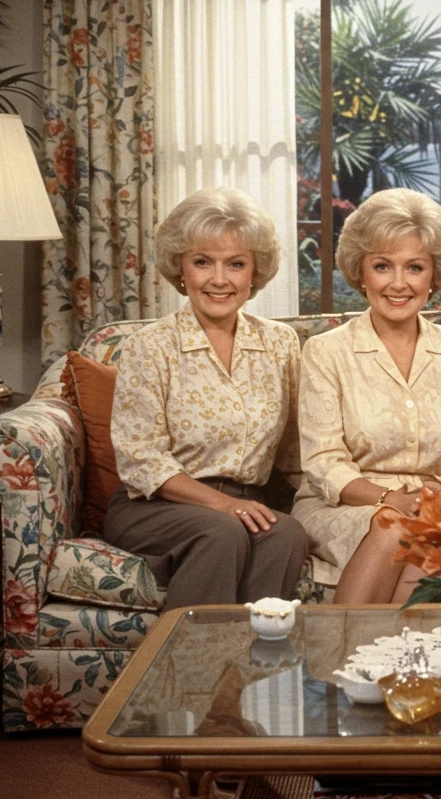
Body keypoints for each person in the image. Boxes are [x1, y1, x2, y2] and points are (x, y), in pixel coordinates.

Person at [105, 188, 307, 608]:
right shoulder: (150, 346)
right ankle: (189, 669)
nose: (219, 279)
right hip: (156, 507)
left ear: (255, 273)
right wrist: (224, 505)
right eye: (203, 262)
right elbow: (142, 460)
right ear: (181, 268)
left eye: (235, 264)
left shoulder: (280, 344)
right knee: (222, 530)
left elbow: (293, 454)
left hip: (247, 503)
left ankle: (257, 667)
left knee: (286, 532)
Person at [292, 188, 441, 603]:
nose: (399, 284)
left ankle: (393, 663)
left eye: (414, 267)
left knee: (433, 536)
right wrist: (391, 500)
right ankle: (340, 658)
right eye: (383, 266)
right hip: (344, 506)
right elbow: (323, 463)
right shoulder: (326, 351)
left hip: (436, 506)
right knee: (392, 525)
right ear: (361, 273)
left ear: (434, 276)